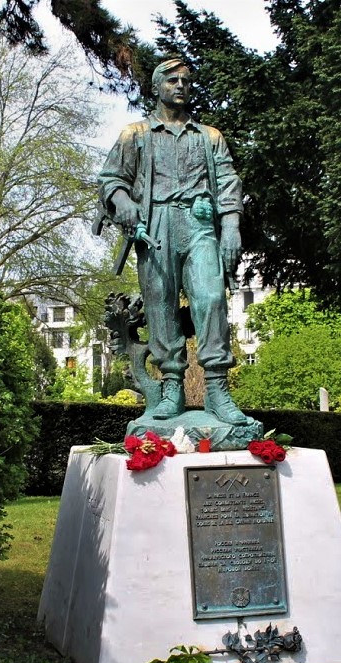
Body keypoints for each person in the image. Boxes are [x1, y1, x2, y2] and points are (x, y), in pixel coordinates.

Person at [98, 58, 249, 425]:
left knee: (211, 298)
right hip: (157, 222)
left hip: (199, 223)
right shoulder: (135, 134)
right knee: (160, 303)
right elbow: (110, 180)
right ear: (157, 86)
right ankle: (171, 386)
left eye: (185, 79)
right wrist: (124, 203)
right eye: (172, 79)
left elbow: (229, 185)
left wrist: (230, 228)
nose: (180, 85)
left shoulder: (209, 136)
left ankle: (217, 387)